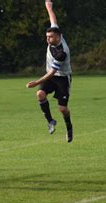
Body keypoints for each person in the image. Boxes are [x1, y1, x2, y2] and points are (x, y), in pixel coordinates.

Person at [26, 0, 73, 142]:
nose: (47, 39)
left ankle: (69, 128)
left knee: (63, 109)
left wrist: (36, 82)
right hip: (51, 76)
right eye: (46, 37)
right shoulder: (55, 32)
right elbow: (53, 18)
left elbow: (52, 72)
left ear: (58, 37)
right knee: (40, 94)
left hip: (62, 78)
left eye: (50, 37)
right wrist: (48, 6)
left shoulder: (62, 52)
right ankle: (50, 121)